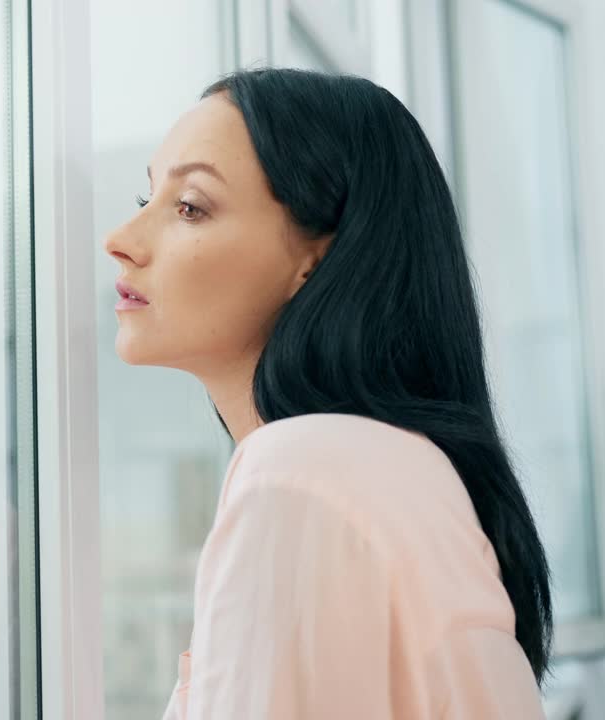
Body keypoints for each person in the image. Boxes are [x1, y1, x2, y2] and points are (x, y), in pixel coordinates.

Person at [102, 68, 552, 719]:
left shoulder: (302, 469)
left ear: (317, 257)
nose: (121, 240)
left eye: (190, 206)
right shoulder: (390, 467)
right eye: (146, 199)